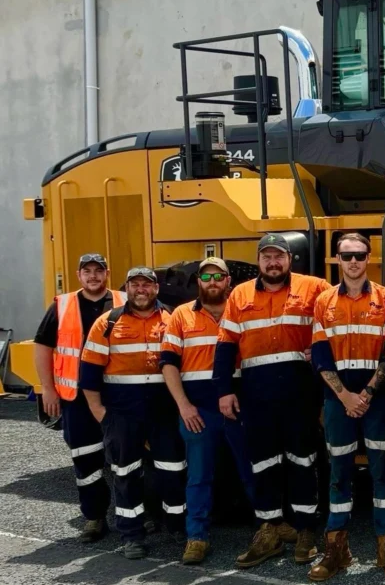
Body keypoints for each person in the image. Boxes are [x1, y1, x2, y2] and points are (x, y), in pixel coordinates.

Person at [214, 234, 330, 568]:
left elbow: (336, 324)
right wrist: (224, 390)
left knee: (303, 461)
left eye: (279, 256)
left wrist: (323, 349)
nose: (273, 263)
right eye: (267, 257)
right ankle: (270, 530)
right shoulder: (240, 294)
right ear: (258, 260)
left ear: (290, 259)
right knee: (263, 463)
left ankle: (306, 529)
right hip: (257, 394)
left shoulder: (315, 288)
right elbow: (226, 346)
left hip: (300, 391)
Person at [309, 233, 385, 582]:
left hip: (375, 399)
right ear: (337, 259)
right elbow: (320, 355)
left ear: (369, 258)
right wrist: (345, 396)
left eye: (360, 255)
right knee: (339, 475)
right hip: (339, 400)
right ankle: (336, 550)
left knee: (382, 472)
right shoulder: (323, 302)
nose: (353, 262)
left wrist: (365, 393)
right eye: (347, 255)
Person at [80, 266, 186, 559]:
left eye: (147, 284)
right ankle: (132, 536)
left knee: (173, 470)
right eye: (135, 284)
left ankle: (177, 527)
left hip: (164, 414)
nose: (141, 289)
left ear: (156, 288)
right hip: (122, 415)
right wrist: (101, 413)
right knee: (126, 474)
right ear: (126, 288)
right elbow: (89, 375)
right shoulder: (107, 323)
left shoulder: (172, 319)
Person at [160, 257, 253, 565]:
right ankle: (196, 537)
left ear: (229, 281)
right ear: (198, 282)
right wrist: (183, 407)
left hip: (240, 407)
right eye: (206, 276)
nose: (213, 281)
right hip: (198, 411)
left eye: (219, 276)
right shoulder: (180, 316)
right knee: (199, 475)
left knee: (253, 470)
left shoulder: (241, 311)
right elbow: (168, 364)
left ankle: (269, 529)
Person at [33, 253, 126, 543]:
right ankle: (94, 517)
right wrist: (48, 389)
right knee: (86, 459)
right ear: (79, 275)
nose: (93, 276)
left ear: (107, 273)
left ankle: (132, 514)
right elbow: (43, 347)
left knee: (128, 458)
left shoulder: (125, 300)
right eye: (87, 271)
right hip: (75, 397)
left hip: (117, 394)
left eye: (98, 271)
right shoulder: (62, 305)